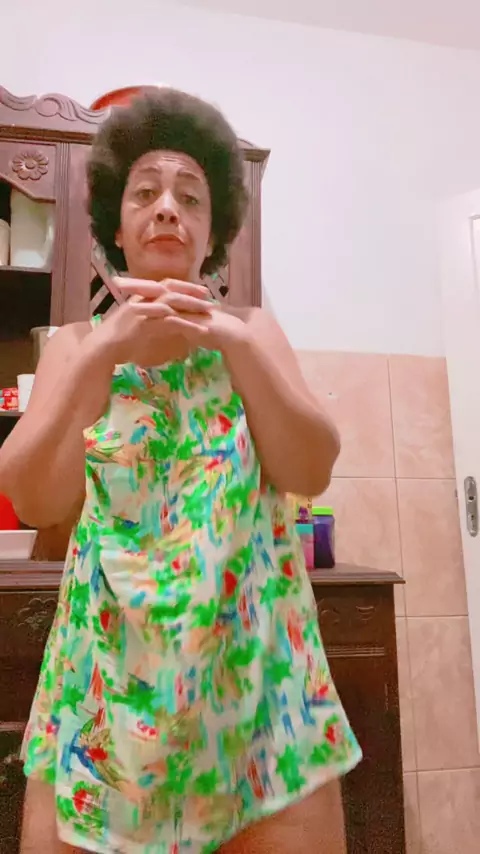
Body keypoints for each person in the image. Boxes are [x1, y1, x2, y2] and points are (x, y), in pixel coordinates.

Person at [0, 89, 361, 854]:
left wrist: (233, 341)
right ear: (116, 225)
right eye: (146, 193)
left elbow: (312, 464)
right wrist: (103, 352)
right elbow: (33, 496)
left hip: (257, 688)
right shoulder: (72, 346)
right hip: (104, 694)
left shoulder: (255, 332)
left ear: (213, 229)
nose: (167, 208)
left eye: (189, 197)